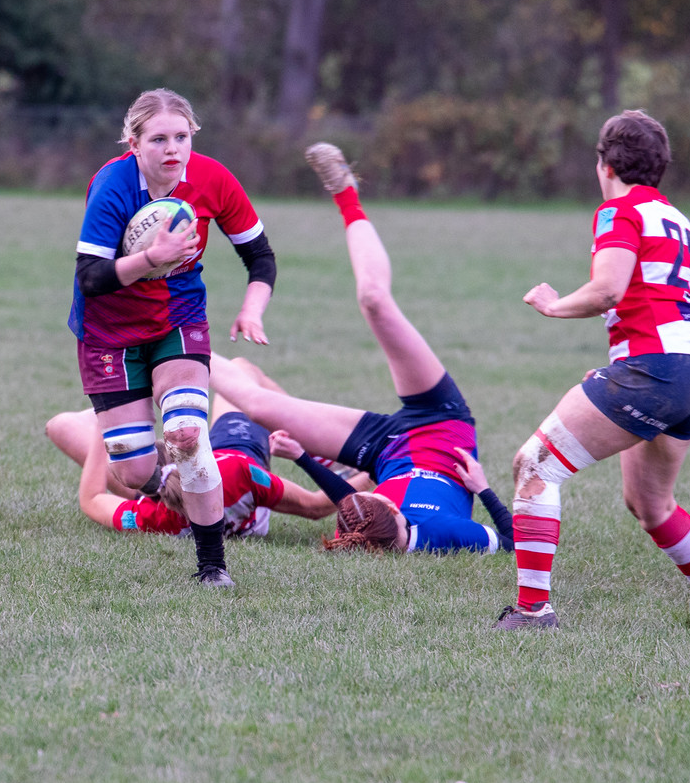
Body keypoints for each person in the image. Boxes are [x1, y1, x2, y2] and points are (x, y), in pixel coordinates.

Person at [494, 111, 690, 630]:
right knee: (649, 502)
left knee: (535, 466)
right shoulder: (682, 222)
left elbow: (609, 289)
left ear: (605, 164)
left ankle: (532, 611)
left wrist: (554, 305)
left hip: (659, 370)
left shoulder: (619, 212)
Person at [211, 144, 513, 555]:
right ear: (394, 511)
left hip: (384, 449)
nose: (369, 495)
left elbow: (344, 499)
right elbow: (514, 541)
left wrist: (301, 457)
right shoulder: (444, 534)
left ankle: (162, 335)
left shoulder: (374, 522)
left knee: (254, 404)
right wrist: (484, 488)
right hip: (443, 425)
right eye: (375, 498)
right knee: (374, 300)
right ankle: (347, 195)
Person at [70, 88, 276, 587]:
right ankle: (171, 482)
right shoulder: (113, 183)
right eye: (159, 139)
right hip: (108, 332)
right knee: (134, 473)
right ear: (133, 143)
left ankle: (212, 568)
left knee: (187, 433)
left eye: (181, 137)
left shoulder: (212, 179)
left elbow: (261, 256)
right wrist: (149, 259)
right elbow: (90, 277)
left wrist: (252, 308)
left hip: (178, 319)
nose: (172, 149)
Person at [43, 370, 351, 537]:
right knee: (242, 370)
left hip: (164, 496)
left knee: (60, 426)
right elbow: (315, 506)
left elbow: (92, 500)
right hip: (230, 466)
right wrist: (373, 469)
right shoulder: (234, 472)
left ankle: (126, 413)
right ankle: (327, 455)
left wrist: (108, 419)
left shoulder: (153, 516)